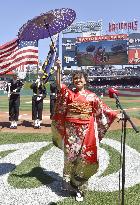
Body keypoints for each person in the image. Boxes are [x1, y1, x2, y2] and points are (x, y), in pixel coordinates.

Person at [51, 59, 120, 202]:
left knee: (84, 159)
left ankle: (80, 189)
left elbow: (103, 110)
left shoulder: (92, 96)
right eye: (75, 79)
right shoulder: (69, 94)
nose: (77, 80)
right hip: (71, 133)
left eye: (80, 78)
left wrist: (115, 114)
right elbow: (59, 85)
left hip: (86, 132)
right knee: (70, 158)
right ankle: (70, 185)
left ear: (85, 81)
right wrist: (58, 68)